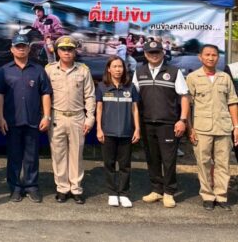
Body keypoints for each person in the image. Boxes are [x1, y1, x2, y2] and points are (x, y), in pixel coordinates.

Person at [132, 40, 190, 208]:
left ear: (163, 53)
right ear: (145, 54)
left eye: (157, 52)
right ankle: (156, 189)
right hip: (146, 122)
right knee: (152, 158)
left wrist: (183, 120)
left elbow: (184, 96)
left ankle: (169, 192)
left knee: (169, 160)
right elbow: (134, 99)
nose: (154, 55)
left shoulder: (173, 71)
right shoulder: (139, 72)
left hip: (168, 124)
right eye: (150, 53)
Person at [0, 34, 52, 203]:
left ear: (29, 49)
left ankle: (31, 186)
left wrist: (47, 116)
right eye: (17, 46)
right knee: (14, 156)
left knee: (31, 156)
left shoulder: (38, 70)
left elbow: (46, 93)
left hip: (33, 120)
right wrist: (0, 117)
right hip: (11, 121)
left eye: (23, 46)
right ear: (11, 49)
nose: (21, 49)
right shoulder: (4, 70)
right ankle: (15, 188)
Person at [186, 44, 238, 211]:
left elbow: (232, 102)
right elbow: (187, 105)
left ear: (218, 57)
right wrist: (190, 128)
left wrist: (236, 126)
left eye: (214, 55)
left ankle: (221, 195)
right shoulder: (193, 77)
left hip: (223, 127)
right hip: (202, 128)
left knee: (223, 163)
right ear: (200, 57)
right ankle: (208, 196)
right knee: (204, 162)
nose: (210, 58)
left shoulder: (225, 77)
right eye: (207, 54)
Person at [45, 35, 95, 204]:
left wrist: (90, 118)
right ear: (57, 51)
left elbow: (90, 95)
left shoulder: (83, 70)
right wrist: (45, 116)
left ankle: (76, 188)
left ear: (75, 52)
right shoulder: (49, 70)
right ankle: (62, 188)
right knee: (58, 154)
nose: (66, 52)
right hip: (56, 116)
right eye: (63, 49)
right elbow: (44, 95)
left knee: (76, 154)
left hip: (77, 117)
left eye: (70, 49)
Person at [96, 56, 140, 208]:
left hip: (126, 132)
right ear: (109, 69)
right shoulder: (102, 87)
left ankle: (124, 193)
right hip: (108, 132)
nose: (118, 69)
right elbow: (99, 109)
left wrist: (137, 129)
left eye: (120, 66)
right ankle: (112, 193)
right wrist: (99, 128)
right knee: (109, 164)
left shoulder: (130, 87)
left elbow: (135, 109)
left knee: (125, 165)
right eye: (114, 66)